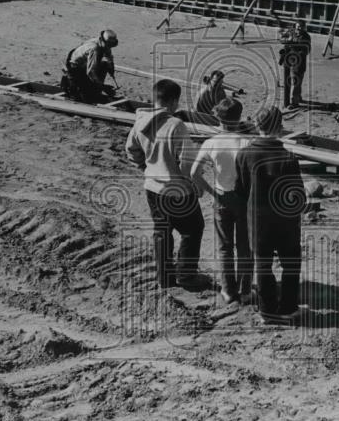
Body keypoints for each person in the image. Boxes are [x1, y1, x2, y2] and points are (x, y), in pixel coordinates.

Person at [125, 78, 206, 290]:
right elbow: (187, 161)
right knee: (193, 229)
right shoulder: (176, 125)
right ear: (173, 101)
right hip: (176, 190)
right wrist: (195, 185)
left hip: (152, 187)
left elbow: (131, 149)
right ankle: (186, 276)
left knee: (162, 231)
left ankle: (165, 278)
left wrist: (145, 168)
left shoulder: (140, 121)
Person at [235, 105, 306, 324]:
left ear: (256, 125)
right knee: (291, 264)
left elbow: (240, 189)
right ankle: (288, 308)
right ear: (280, 128)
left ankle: (266, 310)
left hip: (257, 221)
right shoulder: (287, 156)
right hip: (285, 222)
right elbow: (297, 196)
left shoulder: (244, 154)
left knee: (262, 265)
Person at [190, 98, 254, 304]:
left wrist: (210, 191)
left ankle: (227, 290)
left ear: (219, 119)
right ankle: (245, 290)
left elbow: (194, 173)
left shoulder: (211, 143)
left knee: (224, 246)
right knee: (245, 247)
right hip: (243, 198)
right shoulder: (247, 143)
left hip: (221, 196)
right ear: (239, 117)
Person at [62, 29, 118, 103]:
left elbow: (109, 57)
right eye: (108, 45)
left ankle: (95, 90)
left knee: (105, 65)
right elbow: (90, 72)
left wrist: (111, 68)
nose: (109, 47)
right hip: (74, 68)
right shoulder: (94, 49)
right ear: (104, 41)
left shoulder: (102, 43)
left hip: (84, 64)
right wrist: (102, 87)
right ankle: (72, 84)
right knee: (86, 98)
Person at [278, 19, 311, 108]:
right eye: (297, 27)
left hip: (299, 63)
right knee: (294, 82)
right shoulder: (291, 32)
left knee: (297, 82)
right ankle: (297, 97)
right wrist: (287, 39)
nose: (298, 29)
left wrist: (295, 47)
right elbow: (281, 39)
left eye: (301, 27)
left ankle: (294, 102)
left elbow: (306, 50)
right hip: (289, 61)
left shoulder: (306, 37)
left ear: (304, 28)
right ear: (295, 27)